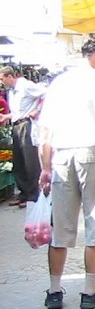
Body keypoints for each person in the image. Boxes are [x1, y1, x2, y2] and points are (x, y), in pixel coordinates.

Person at [38, 32, 95, 309]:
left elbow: (45, 132)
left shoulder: (59, 83)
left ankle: (54, 291)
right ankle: (90, 291)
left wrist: (45, 167)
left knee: (61, 228)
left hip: (61, 158)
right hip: (91, 153)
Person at [0, 66, 47, 206]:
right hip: (16, 125)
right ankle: (24, 193)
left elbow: (46, 94)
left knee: (29, 161)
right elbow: (18, 111)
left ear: (10, 77)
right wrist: (6, 116)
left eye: (2, 79)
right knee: (19, 161)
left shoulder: (25, 85)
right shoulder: (12, 91)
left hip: (26, 126)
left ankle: (33, 194)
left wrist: (37, 110)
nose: (2, 83)